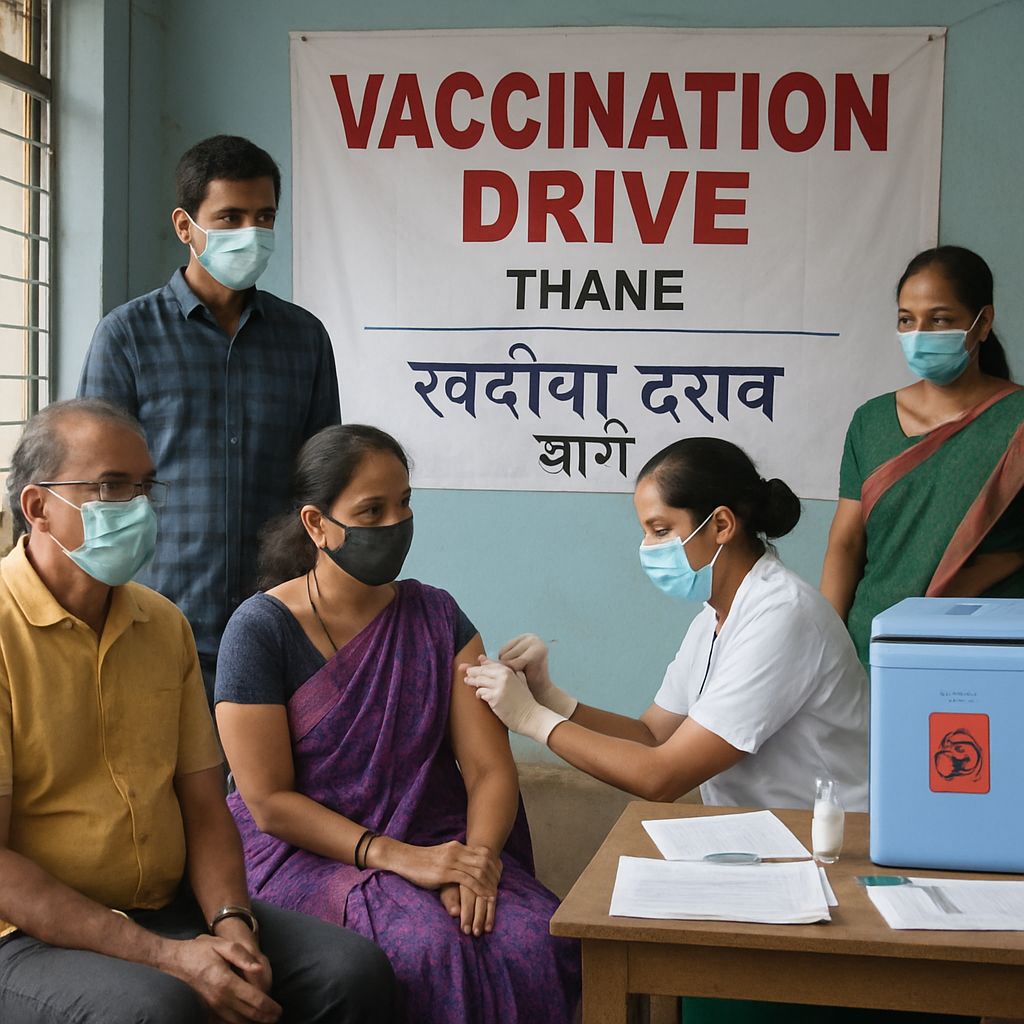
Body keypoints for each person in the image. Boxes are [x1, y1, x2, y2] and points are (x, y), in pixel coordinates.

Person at [0, 399, 395, 1024]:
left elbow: (206, 807)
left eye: (142, 485)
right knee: (158, 1009)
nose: (135, 506)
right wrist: (167, 957)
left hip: (171, 904)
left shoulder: (161, 625)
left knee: (352, 972)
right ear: (37, 507)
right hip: (26, 936)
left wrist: (231, 920)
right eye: (109, 486)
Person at [214, 424, 580, 1024]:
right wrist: (396, 857)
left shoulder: (438, 615)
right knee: (422, 949)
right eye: (371, 510)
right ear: (317, 525)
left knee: (537, 938)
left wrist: (479, 862)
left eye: (404, 503)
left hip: (441, 837)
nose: (394, 522)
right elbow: (269, 801)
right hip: (308, 852)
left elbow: (489, 769)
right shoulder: (260, 631)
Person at [465, 437, 868, 813]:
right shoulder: (715, 617)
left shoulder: (783, 617)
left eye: (661, 531)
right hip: (761, 837)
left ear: (721, 525)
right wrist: (548, 697)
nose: (648, 548)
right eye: (645, 532)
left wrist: (531, 721)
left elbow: (661, 777)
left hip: (829, 845)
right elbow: (652, 735)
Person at [78, 135, 341, 702]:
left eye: (264, 216)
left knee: (263, 785)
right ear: (185, 226)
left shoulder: (305, 339)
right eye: (229, 217)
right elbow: (93, 481)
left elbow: (324, 481)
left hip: (279, 615)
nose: (250, 231)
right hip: (157, 613)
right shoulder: (127, 336)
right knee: (162, 783)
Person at [821, 246, 1024, 669]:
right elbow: (846, 543)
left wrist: (952, 589)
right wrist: (825, 642)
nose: (920, 334)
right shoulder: (871, 421)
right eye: (907, 320)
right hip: (875, 645)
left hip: (990, 646)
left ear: (982, 322)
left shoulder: (1017, 419)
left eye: (940, 319)